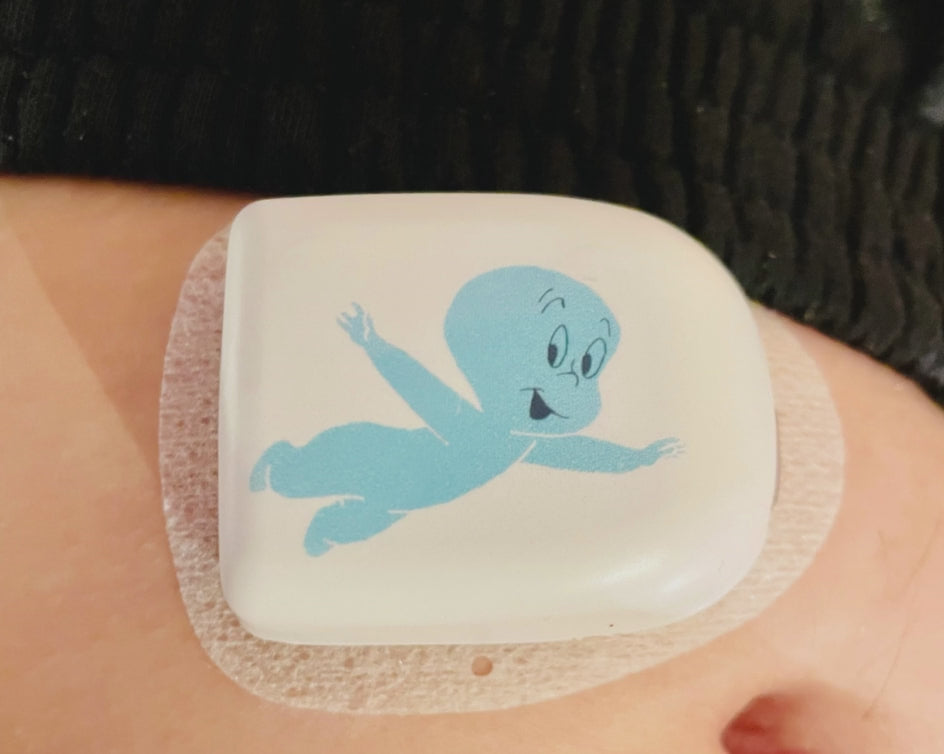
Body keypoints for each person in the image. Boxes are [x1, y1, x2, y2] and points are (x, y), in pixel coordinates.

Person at [1, 1, 942, 751]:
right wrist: (374, 348)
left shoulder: (528, 436)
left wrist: (634, 458)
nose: (570, 378)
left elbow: (571, 458)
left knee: (362, 490)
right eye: (561, 352)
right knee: (343, 459)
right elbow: (427, 397)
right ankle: (294, 474)